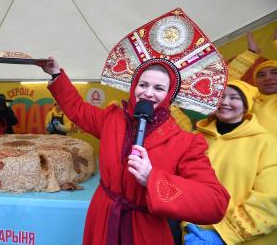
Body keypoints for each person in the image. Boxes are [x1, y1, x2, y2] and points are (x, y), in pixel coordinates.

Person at [38, 57, 230, 245]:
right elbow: (78, 109)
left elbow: (215, 203)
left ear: (170, 95)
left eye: (159, 88)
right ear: (133, 87)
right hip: (104, 217)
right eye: (143, 85)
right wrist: (56, 75)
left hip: (145, 230)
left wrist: (153, 179)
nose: (148, 93)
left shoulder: (186, 142)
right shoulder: (112, 119)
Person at [185, 80, 277, 244]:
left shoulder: (266, 143)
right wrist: (184, 224)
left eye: (234, 97)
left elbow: (270, 200)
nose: (225, 102)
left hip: (243, 239)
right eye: (221, 96)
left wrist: (223, 234)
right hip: (191, 234)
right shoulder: (194, 138)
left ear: (246, 105)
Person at [252, 60, 277, 136]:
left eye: (275, 73)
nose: (268, 78)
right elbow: (221, 88)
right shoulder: (249, 100)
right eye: (261, 75)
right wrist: (250, 54)